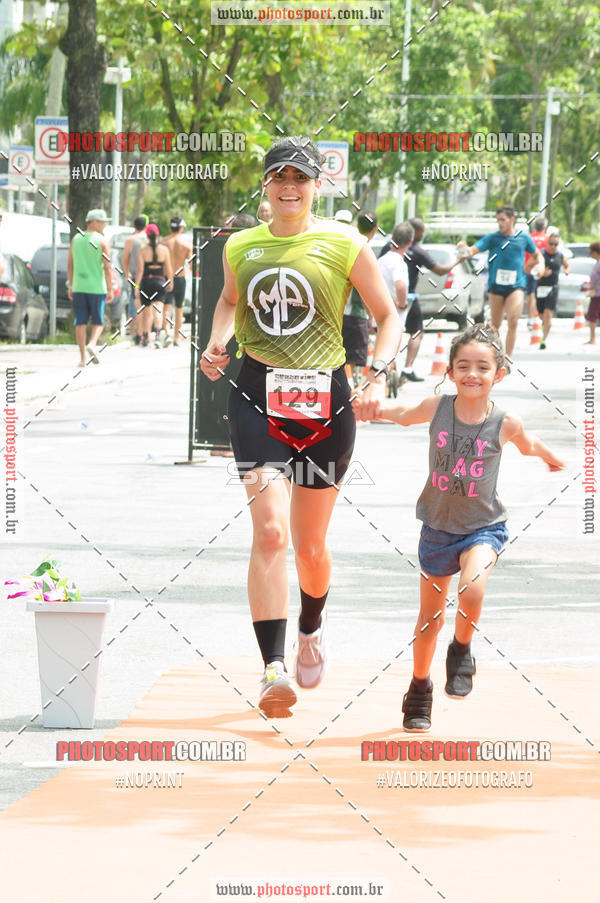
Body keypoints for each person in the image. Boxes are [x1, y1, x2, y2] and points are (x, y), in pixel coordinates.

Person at [199, 136, 401, 718]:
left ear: (317, 186)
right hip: (258, 397)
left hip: (325, 404)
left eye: (301, 177)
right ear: (265, 185)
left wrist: (378, 373)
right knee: (270, 534)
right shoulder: (241, 245)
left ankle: (311, 626)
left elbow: (387, 316)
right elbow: (230, 302)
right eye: (279, 176)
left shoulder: (343, 242)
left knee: (310, 546)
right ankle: (272, 668)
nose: (290, 186)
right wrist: (219, 342)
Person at [356, 323, 565, 731]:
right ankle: (419, 688)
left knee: (473, 587)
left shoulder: (505, 422)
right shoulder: (438, 408)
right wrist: (370, 408)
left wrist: (551, 456)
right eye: (463, 366)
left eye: (483, 367)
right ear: (449, 372)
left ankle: (462, 649)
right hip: (437, 528)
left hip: (484, 526)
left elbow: (530, 444)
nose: (473, 374)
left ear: (498, 374)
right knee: (429, 618)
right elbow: (402, 415)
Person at [457, 206, 544, 359]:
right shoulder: (492, 238)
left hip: (516, 286)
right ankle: (494, 357)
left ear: (512, 219)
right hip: (495, 287)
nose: (499, 223)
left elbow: (538, 255)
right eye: (498, 220)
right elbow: (472, 251)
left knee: (513, 320)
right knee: (495, 326)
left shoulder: (523, 237)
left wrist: (540, 265)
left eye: (502, 220)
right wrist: (464, 248)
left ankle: (508, 358)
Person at [400, 217, 456, 382]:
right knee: (416, 332)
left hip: (388, 295)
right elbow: (439, 270)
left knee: (390, 331)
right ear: (415, 232)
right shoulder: (417, 251)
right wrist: (457, 260)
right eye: (422, 231)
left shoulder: (389, 247)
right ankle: (407, 368)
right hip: (408, 297)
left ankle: (388, 367)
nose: (423, 234)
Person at [67, 208, 113, 367]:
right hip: (97, 287)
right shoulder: (102, 241)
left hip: (79, 286)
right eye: (102, 222)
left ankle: (82, 358)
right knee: (98, 321)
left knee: (80, 321)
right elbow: (107, 267)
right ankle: (92, 343)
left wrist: (71, 285)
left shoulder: (76, 239)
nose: (104, 225)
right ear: (93, 222)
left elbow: (70, 265)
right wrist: (111, 288)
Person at [342, 212, 378, 387]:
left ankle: (348, 385)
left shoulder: (343, 246)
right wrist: (371, 314)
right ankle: (352, 387)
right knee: (354, 355)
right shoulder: (363, 250)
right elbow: (364, 289)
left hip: (338, 312)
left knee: (345, 354)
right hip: (355, 313)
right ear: (375, 230)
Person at [134, 223, 173, 347]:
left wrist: (136, 287)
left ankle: (145, 337)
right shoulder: (164, 250)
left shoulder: (142, 250)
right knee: (158, 309)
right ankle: (157, 335)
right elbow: (168, 269)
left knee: (147, 311)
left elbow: (140, 270)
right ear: (158, 235)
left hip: (146, 283)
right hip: (160, 282)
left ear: (147, 235)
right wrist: (170, 281)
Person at [535, 232, 570, 349]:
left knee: (548, 315)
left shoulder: (560, 255)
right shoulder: (541, 254)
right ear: (547, 243)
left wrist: (567, 271)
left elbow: (567, 265)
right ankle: (544, 324)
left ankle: (543, 340)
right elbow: (529, 267)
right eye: (551, 244)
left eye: (556, 244)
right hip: (540, 288)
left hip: (553, 288)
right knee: (541, 315)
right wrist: (541, 273)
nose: (554, 246)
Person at [162, 216, 192, 346]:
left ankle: (167, 333)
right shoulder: (186, 245)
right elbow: (192, 265)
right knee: (179, 308)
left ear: (170, 227)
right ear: (181, 228)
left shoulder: (163, 243)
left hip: (165, 277)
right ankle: (176, 338)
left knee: (166, 307)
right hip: (180, 277)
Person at [121, 214, 148, 344]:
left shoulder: (131, 240)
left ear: (134, 226)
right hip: (149, 275)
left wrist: (127, 274)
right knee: (147, 305)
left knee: (135, 302)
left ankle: (135, 331)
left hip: (135, 274)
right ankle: (144, 333)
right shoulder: (150, 238)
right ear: (146, 226)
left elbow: (125, 258)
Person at [525, 216, 548, 328]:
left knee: (531, 294)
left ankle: (530, 319)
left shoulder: (529, 238)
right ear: (545, 227)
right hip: (543, 270)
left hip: (530, 269)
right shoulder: (548, 239)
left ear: (534, 227)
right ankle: (541, 318)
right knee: (543, 294)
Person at [585, 242, 600, 345]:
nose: (590, 254)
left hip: (597, 294)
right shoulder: (597, 263)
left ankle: (592, 339)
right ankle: (592, 338)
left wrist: (595, 290)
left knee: (593, 315)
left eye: (591, 252)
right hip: (596, 293)